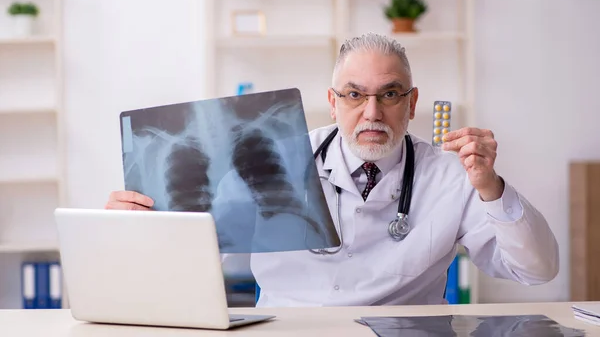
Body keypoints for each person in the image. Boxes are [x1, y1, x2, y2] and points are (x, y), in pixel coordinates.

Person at [106, 33, 559, 307]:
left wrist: (492, 188)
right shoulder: (267, 162)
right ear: (332, 102)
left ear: (413, 103)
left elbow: (537, 271)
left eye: (391, 94)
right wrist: (140, 231)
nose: (372, 112)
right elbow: (187, 263)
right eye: (355, 94)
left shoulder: (449, 175)